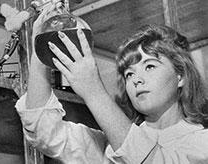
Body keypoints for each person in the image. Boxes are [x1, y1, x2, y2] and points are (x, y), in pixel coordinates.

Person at [15, 22, 208, 163]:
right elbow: (44, 130)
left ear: (180, 76)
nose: (136, 79)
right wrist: (40, 48)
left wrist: (94, 91)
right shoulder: (107, 146)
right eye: (129, 74)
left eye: (149, 66)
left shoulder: (201, 143)